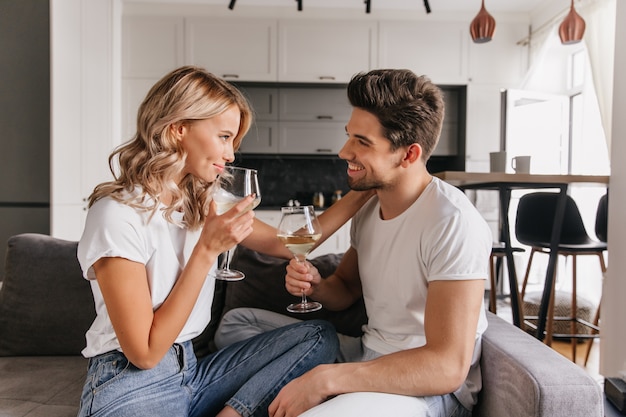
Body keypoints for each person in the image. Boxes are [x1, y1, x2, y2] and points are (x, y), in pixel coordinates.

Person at [76, 65, 371, 417]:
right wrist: (207, 250)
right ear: (178, 129)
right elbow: (145, 353)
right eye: (224, 137)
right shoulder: (117, 214)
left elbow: (285, 243)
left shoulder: (202, 203)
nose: (231, 154)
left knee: (317, 337)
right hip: (131, 381)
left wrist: (365, 188)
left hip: (191, 371)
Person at [215, 69, 493, 417]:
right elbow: (344, 289)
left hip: (424, 388)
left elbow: (447, 367)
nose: (344, 151)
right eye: (349, 136)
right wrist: (316, 286)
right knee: (237, 323)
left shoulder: (452, 222)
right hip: (366, 353)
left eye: (362, 141)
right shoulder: (370, 207)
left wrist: (325, 379)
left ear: (408, 154)